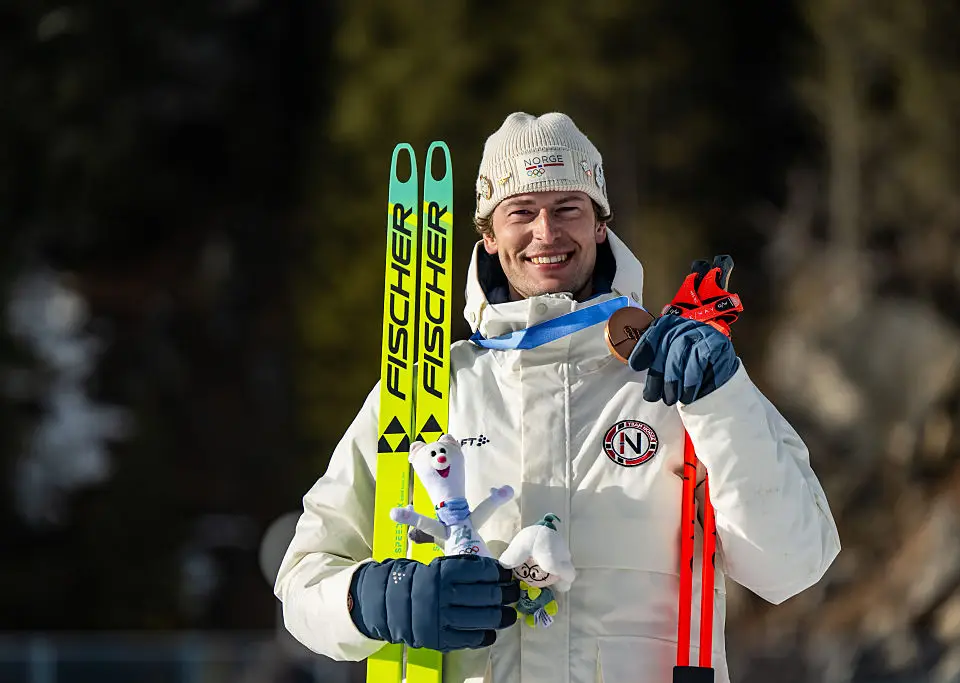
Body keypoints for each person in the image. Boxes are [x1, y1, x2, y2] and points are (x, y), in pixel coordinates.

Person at [274, 112, 841, 683]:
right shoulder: (429, 391)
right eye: (521, 211)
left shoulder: (678, 378)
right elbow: (301, 584)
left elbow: (793, 564)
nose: (547, 232)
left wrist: (723, 399)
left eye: (568, 207)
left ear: (599, 224)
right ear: (489, 236)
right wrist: (375, 599)